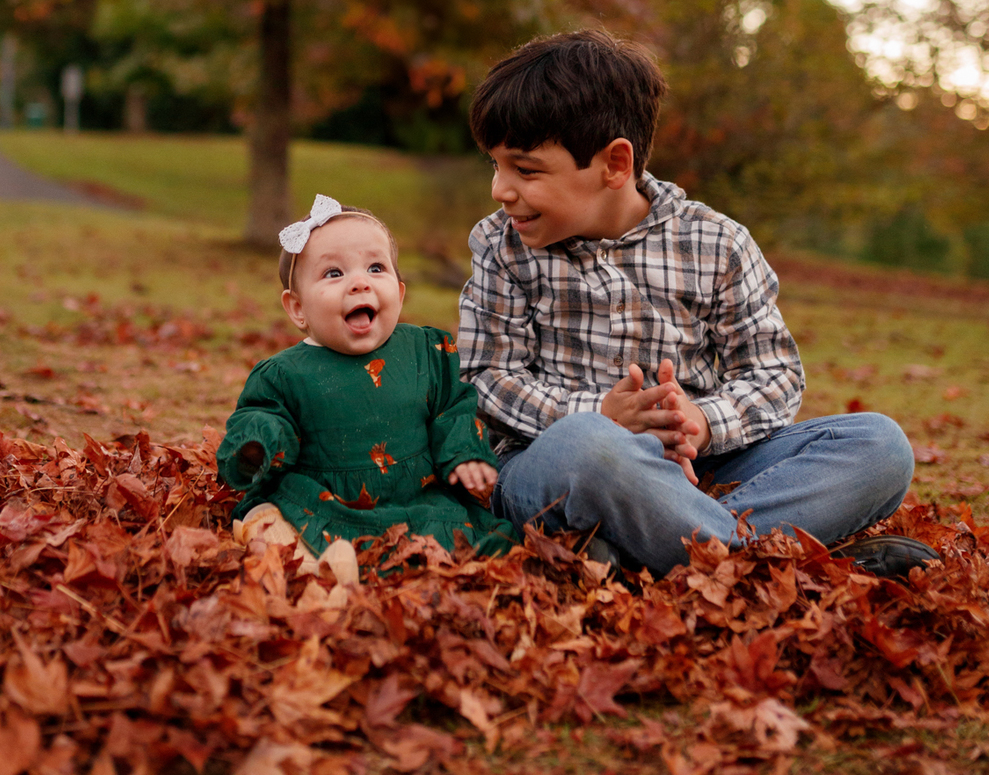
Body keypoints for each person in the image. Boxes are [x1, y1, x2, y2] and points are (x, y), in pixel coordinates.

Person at [458, 30, 938, 581]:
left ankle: (656, 550)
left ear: (615, 164)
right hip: (560, 465)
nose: (500, 188)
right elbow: (486, 377)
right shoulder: (501, 246)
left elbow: (773, 373)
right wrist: (603, 417)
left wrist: (701, 422)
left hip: (704, 470)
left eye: (525, 170)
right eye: (495, 166)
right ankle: (757, 564)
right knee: (589, 446)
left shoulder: (717, 243)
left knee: (879, 445)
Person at [218, 195, 518, 567]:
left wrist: (464, 456)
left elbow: (453, 409)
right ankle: (314, 566)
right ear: (297, 308)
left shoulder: (427, 352)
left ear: (400, 290)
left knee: (472, 535)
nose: (360, 283)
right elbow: (264, 417)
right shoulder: (285, 374)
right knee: (268, 516)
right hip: (322, 500)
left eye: (376, 268)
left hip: (415, 499)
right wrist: (257, 445)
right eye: (334, 273)